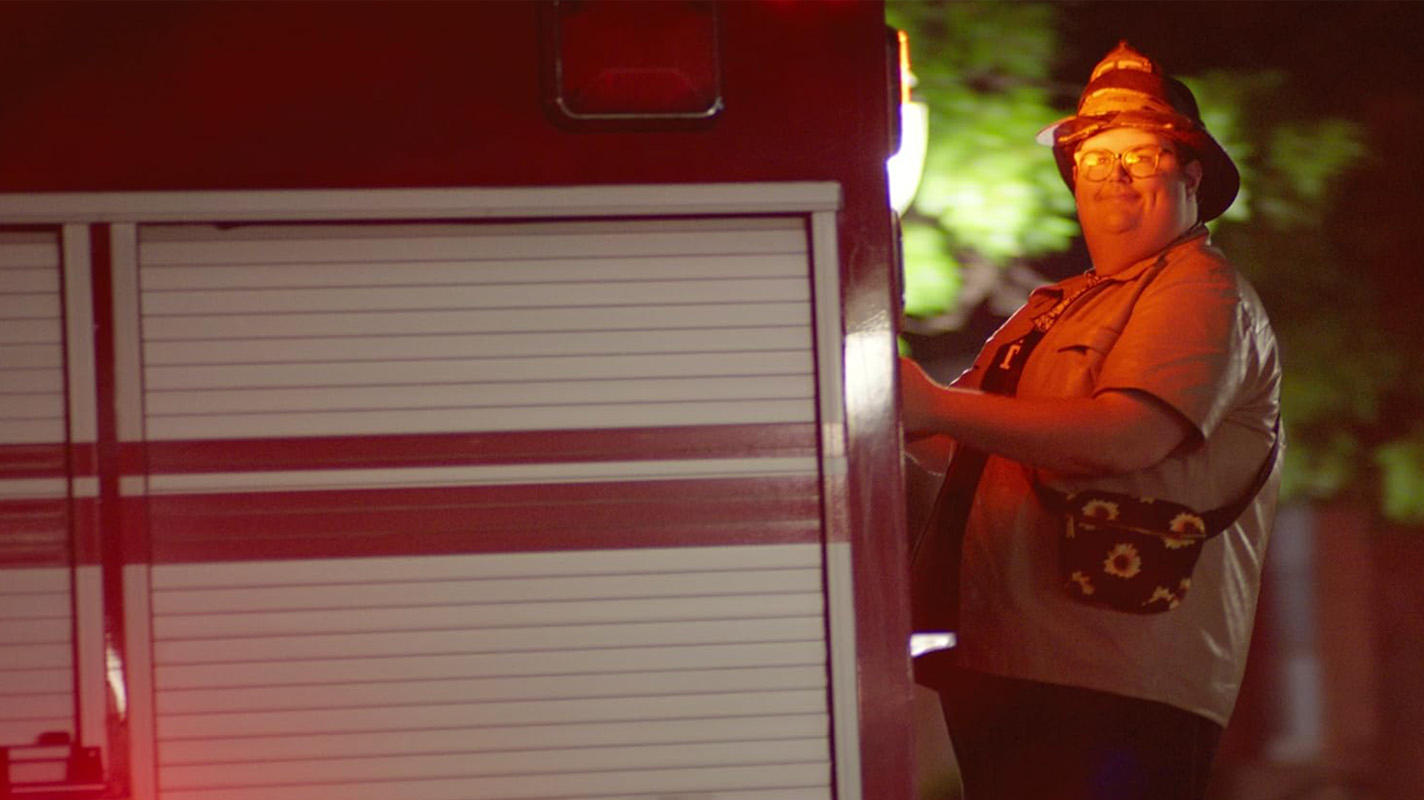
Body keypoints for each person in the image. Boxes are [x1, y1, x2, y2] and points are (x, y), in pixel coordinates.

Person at [900, 42, 1282, 800]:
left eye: (1142, 155)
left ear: (1191, 177)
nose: (1115, 174)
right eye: (1096, 158)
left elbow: (1129, 434)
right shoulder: (1057, 307)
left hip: (1115, 677)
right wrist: (886, 407)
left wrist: (936, 404)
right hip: (1006, 660)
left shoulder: (1200, 290)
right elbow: (954, 444)